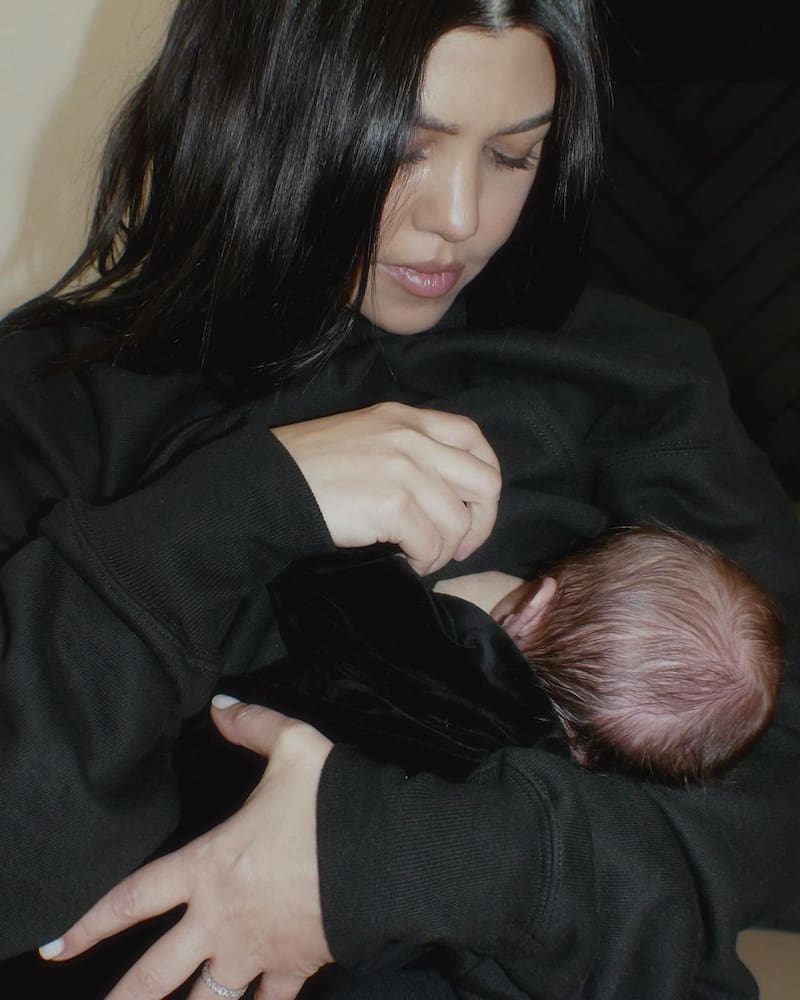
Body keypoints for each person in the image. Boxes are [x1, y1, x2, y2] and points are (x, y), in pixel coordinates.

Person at [0, 1, 796, 998]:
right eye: (408, 149)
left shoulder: (637, 377)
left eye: (513, 155)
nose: (459, 216)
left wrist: (388, 858)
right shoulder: (50, 400)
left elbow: (772, 799)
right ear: (262, 107)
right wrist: (242, 502)